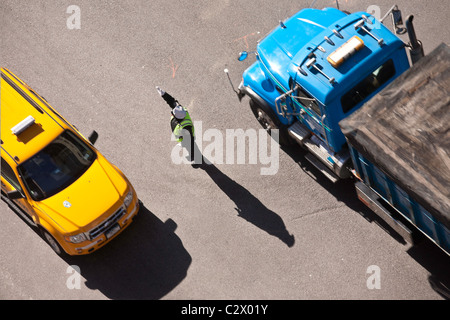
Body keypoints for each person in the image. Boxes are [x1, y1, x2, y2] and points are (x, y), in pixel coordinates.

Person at [156, 86, 202, 168]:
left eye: (173, 114)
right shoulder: (180, 110)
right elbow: (171, 101)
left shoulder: (185, 127)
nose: (172, 113)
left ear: (177, 118)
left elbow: (190, 141)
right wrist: (163, 94)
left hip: (186, 139)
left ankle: (196, 157)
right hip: (185, 138)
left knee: (191, 146)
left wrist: (193, 159)